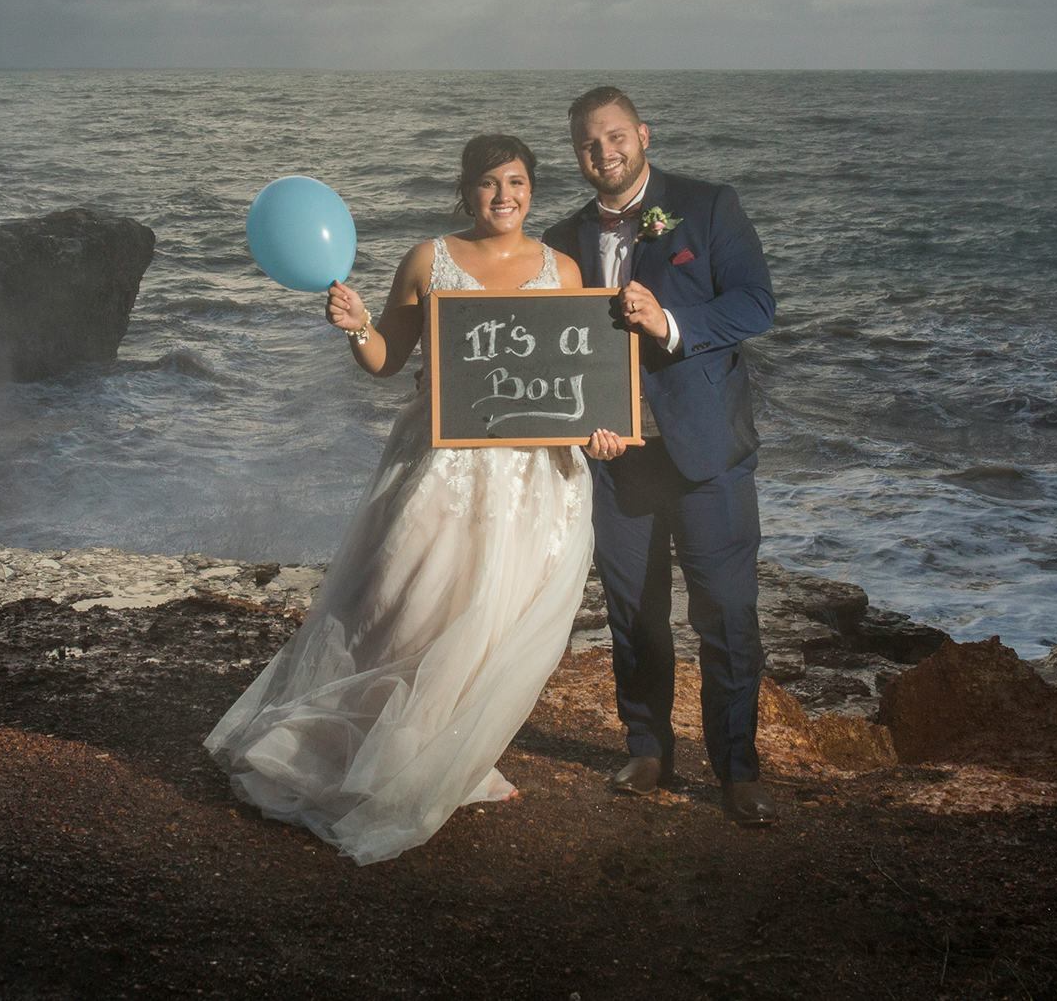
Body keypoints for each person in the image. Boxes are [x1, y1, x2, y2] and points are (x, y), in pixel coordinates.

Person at [205, 133, 627, 865]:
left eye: (519, 182)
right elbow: (385, 361)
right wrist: (357, 323)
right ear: (466, 192)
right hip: (441, 464)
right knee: (406, 606)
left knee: (496, 618)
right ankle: (367, 754)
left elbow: (579, 375)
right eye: (491, 183)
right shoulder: (429, 260)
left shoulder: (562, 269)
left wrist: (603, 432)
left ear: (534, 189)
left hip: (533, 473)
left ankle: (452, 758)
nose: (506, 196)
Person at [543, 86, 779, 826]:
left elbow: (756, 304)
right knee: (633, 612)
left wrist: (671, 320)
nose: (603, 152)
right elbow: (557, 348)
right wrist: (583, 422)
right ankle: (647, 746)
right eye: (588, 142)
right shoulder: (561, 238)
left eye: (615, 136)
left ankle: (738, 769)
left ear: (643, 134)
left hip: (707, 450)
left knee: (728, 612)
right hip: (620, 458)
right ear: (576, 152)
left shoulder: (708, 208)